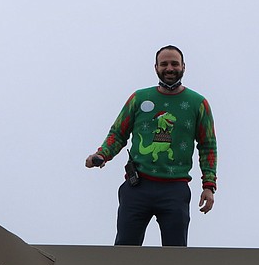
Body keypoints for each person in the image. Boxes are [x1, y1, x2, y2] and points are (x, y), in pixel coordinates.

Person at [85, 45, 217, 247]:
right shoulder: (139, 98)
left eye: (174, 63)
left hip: (175, 188)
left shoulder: (198, 103)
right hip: (138, 186)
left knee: (176, 253)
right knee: (125, 249)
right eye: (164, 64)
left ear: (183, 67)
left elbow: (208, 145)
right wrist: (102, 155)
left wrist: (209, 186)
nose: (169, 68)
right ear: (156, 67)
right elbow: (119, 133)